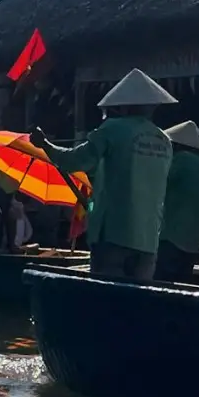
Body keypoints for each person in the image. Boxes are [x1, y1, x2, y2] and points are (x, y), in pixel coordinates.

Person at [33, 68, 175, 281]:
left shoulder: (112, 128)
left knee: (104, 298)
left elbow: (74, 161)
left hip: (114, 234)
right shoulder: (165, 141)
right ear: (152, 106)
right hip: (148, 239)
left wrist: (44, 145)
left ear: (122, 105)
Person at [155, 120, 199, 283]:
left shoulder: (180, 160)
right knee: (182, 282)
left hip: (173, 234)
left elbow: (157, 181)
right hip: (194, 238)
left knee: (161, 283)